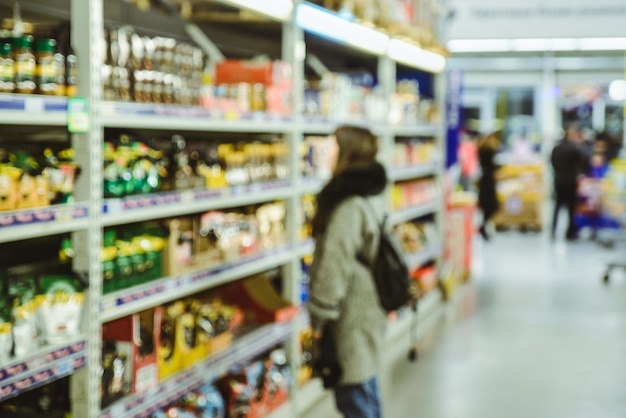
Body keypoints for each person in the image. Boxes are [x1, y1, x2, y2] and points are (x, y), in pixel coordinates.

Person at [308, 125, 387, 418]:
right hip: (363, 311)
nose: (324, 152)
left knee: (355, 397)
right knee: (365, 389)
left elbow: (334, 264)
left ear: (347, 153)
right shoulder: (363, 196)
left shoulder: (348, 206)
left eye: (331, 146)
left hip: (350, 317)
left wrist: (319, 316)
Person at [550, 122, 585, 240]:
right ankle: (570, 233)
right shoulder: (574, 149)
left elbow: (552, 162)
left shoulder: (557, 148)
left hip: (559, 180)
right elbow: (579, 164)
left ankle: (553, 230)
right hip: (570, 181)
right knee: (571, 208)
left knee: (557, 206)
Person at [477, 131, 500, 241]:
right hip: (488, 182)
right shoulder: (489, 150)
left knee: (488, 206)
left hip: (485, 180)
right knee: (492, 205)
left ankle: (483, 226)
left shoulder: (481, 149)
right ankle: (482, 227)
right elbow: (492, 166)